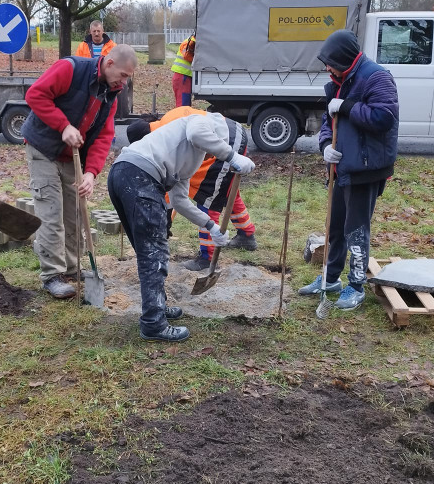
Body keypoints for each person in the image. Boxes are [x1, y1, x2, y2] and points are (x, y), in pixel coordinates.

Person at [108, 111, 256, 342]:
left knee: (147, 251)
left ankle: (156, 306)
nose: (214, 152)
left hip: (124, 174)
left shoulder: (189, 154)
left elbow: (180, 201)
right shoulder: (202, 121)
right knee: (154, 254)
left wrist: (211, 226)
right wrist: (232, 156)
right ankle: (153, 325)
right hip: (139, 176)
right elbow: (199, 133)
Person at [22, 44, 138, 299]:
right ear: (109, 64)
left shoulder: (111, 93)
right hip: (43, 147)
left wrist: (91, 173)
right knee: (51, 211)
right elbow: (36, 95)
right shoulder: (70, 69)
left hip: (72, 156)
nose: (124, 81)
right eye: (124, 75)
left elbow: (104, 136)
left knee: (74, 212)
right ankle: (52, 275)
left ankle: (73, 269)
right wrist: (63, 126)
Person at [299, 29, 399, 312]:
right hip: (340, 167)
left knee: (356, 230)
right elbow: (326, 122)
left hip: (365, 169)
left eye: (330, 62)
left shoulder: (376, 77)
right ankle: (331, 279)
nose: (327, 68)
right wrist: (323, 147)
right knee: (336, 227)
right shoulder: (339, 80)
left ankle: (355, 286)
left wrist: (347, 106)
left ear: (344, 59)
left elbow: (384, 117)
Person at [126, 106, 258, 272]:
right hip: (231, 131)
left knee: (207, 197)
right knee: (224, 190)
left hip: (227, 139)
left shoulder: (167, 136)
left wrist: (232, 157)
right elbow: (177, 196)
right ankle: (246, 235)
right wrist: (210, 225)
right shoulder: (167, 124)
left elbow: (196, 135)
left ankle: (207, 258)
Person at [171, 33, 195, 107]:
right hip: (183, 77)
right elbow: (187, 56)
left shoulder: (190, 41)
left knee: (184, 105)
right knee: (183, 106)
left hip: (182, 77)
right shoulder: (191, 43)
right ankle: (182, 118)